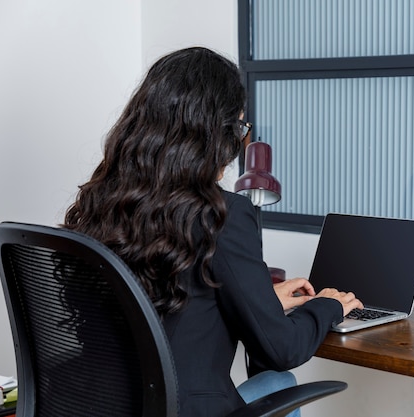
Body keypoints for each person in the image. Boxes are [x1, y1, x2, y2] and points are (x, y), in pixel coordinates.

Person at [63, 46, 363, 417]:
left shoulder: (101, 202)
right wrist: (326, 307)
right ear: (214, 133)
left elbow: (165, 312)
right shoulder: (220, 213)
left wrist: (264, 302)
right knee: (280, 382)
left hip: (103, 404)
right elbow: (282, 350)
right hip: (184, 409)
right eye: (239, 127)